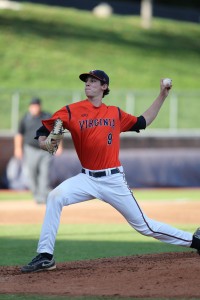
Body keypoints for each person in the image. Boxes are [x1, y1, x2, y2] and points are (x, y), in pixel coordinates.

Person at [21, 70, 200, 273]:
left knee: (144, 226)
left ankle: (195, 241)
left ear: (104, 87)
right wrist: (46, 144)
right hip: (86, 178)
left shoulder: (114, 113)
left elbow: (144, 121)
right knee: (55, 196)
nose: (87, 84)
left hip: (113, 179)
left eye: (93, 81)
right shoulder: (71, 111)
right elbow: (43, 133)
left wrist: (162, 95)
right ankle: (45, 256)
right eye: (86, 81)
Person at [14, 98, 53, 204]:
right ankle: (37, 195)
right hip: (30, 149)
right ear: (30, 107)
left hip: (45, 149)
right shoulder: (26, 118)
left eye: (36, 106)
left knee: (44, 173)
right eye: (33, 106)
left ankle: (44, 196)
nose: (35, 108)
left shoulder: (46, 116)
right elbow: (19, 134)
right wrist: (18, 148)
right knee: (32, 172)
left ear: (40, 106)